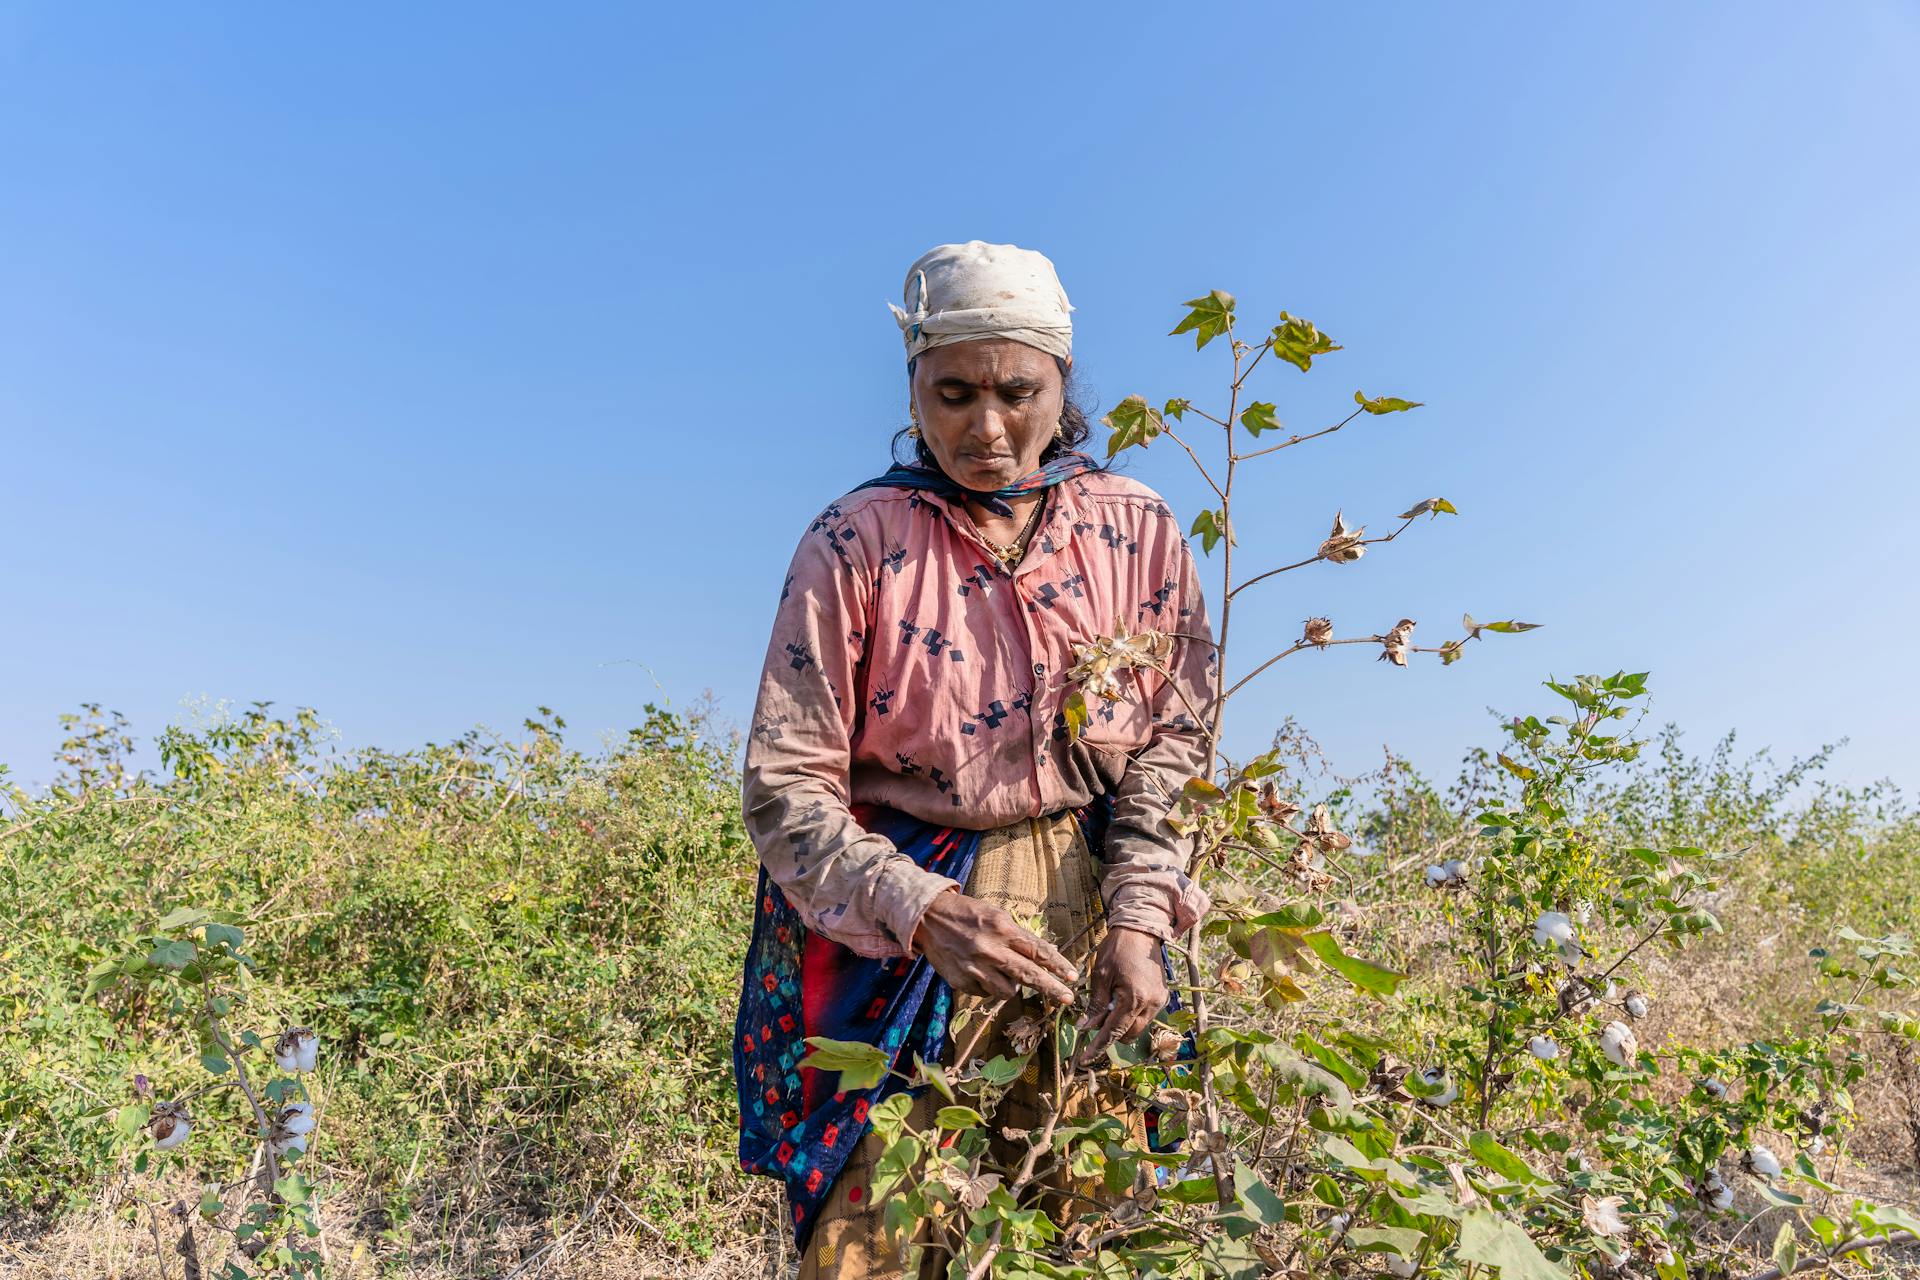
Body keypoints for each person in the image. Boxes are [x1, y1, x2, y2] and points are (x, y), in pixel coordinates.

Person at [732, 240, 1214, 1279]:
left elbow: (1174, 744)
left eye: (1017, 392)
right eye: (952, 393)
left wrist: (1135, 913)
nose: (985, 427)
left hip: (1084, 909)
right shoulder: (857, 540)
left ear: (1062, 385)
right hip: (899, 932)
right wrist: (922, 909)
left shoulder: (1135, 531)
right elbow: (785, 786)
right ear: (912, 388)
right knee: (876, 1241)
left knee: (1076, 1214)